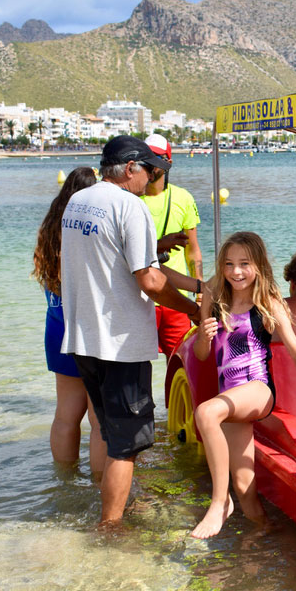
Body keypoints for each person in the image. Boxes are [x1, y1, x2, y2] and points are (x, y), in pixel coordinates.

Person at [60, 135, 201, 529]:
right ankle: (111, 527)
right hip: (120, 343)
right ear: (131, 168)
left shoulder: (78, 201)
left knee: (108, 429)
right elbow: (151, 280)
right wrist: (193, 309)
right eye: (151, 171)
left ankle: (113, 502)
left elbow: (115, 260)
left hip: (83, 339)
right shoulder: (129, 205)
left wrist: (196, 287)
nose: (153, 179)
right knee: (126, 445)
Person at [190, 232, 296, 539]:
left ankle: (219, 502)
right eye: (228, 264)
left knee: (206, 413)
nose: (236, 271)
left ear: (258, 266)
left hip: (257, 390)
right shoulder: (215, 298)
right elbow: (201, 355)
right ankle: (262, 540)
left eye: (244, 264)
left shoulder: (267, 304)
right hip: (231, 397)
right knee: (245, 486)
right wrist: (202, 336)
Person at [32, 166, 107, 476]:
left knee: (65, 414)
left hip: (56, 326)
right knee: (98, 415)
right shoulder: (85, 225)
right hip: (87, 329)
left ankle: (63, 478)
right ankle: (102, 484)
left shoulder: (51, 229)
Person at [141, 133, 203, 357]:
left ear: (168, 163)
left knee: (179, 361)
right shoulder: (130, 198)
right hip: (140, 296)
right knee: (137, 363)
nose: (149, 164)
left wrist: (199, 289)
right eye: (145, 158)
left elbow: (193, 249)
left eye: (155, 158)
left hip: (174, 296)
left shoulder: (182, 197)